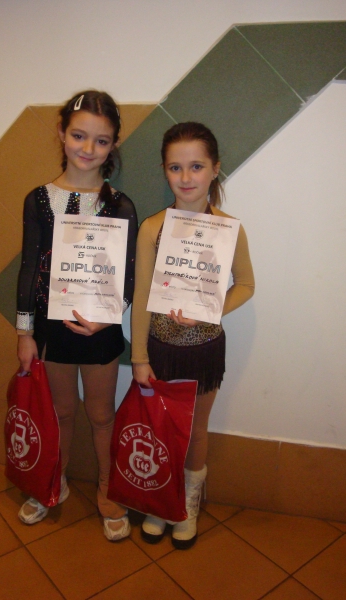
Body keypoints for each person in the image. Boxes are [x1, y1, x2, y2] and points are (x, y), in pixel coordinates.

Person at [16, 90, 138, 541]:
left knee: (102, 414)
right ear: (62, 133)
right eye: (79, 136)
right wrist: (24, 332)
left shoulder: (120, 204)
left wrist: (112, 315)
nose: (88, 148)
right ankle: (54, 481)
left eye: (101, 141)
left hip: (100, 329)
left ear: (113, 144)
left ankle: (109, 487)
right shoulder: (38, 200)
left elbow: (128, 273)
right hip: (51, 329)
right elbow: (30, 267)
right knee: (61, 412)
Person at [131, 122, 254, 549]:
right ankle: (161, 498)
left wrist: (209, 310)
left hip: (203, 350)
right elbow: (142, 295)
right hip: (160, 350)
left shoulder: (229, 229)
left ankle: (187, 502)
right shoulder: (153, 228)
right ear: (164, 171)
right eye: (175, 167)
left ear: (215, 169)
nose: (186, 177)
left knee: (196, 430)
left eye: (196, 166)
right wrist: (139, 356)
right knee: (162, 428)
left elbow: (246, 284)